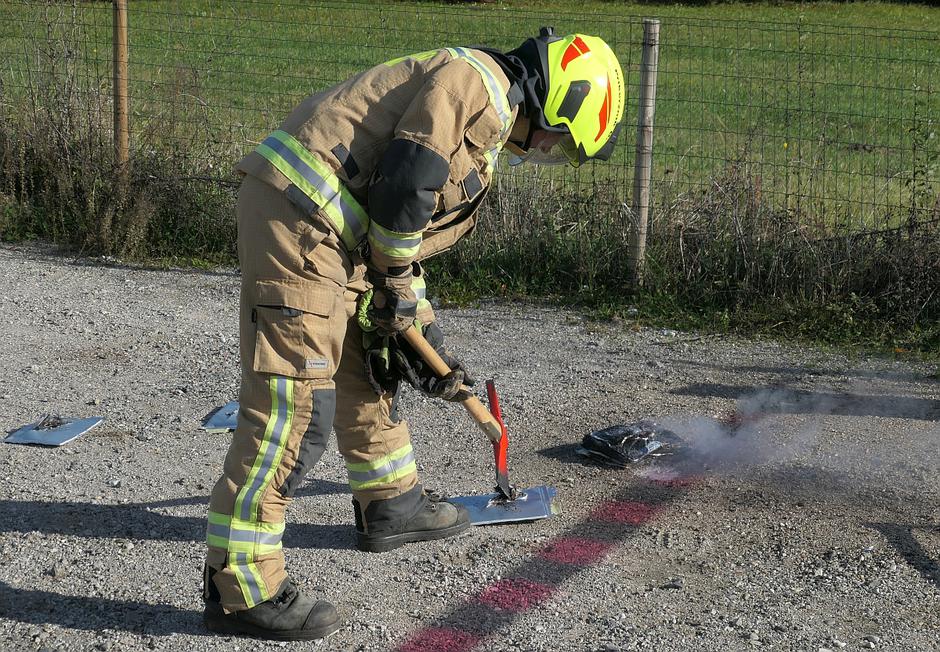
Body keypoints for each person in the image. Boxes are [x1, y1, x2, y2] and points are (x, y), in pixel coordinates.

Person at [202, 27, 625, 640]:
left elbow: (405, 234)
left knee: (375, 361)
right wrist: (398, 288)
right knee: (295, 409)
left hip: (342, 237)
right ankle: (240, 586)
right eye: (560, 140)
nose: (549, 152)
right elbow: (406, 186)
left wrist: (418, 324)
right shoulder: (474, 85)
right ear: (558, 101)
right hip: (300, 221)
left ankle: (390, 503)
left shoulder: (488, 119)